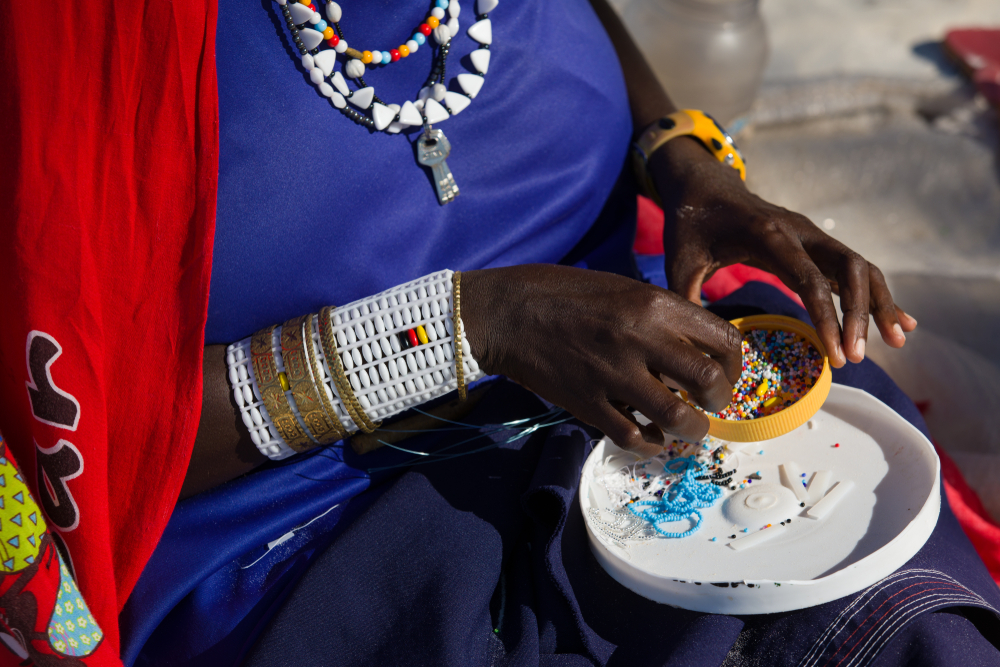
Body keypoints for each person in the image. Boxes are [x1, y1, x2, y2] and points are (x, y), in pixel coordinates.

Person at [1, 0, 997, 665]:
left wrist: (687, 162)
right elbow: (86, 442)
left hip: (635, 383)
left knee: (894, 611)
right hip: (319, 522)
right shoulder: (76, 43)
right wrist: (477, 323)